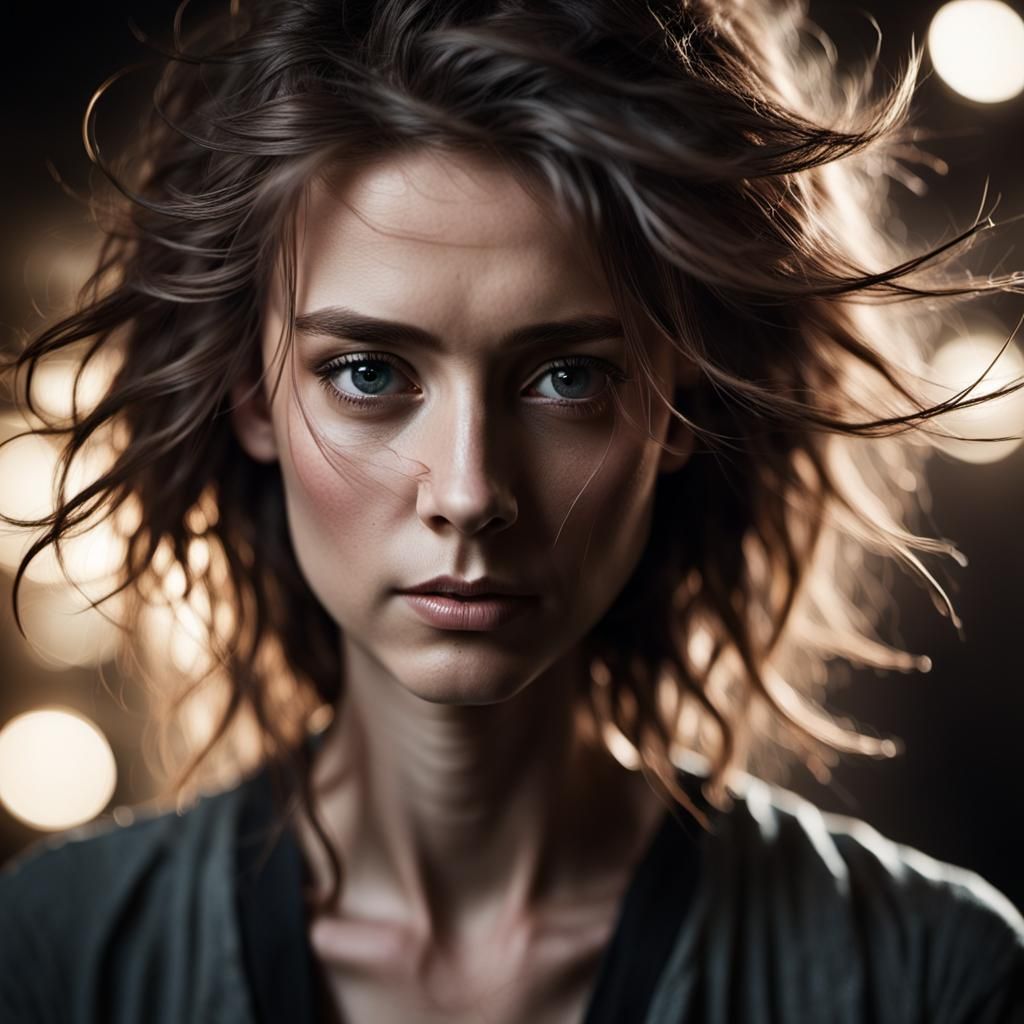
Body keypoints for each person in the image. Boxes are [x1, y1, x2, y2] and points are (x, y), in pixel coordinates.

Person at [1, 0, 1022, 1021]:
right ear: (252, 394)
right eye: (367, 371)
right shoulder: (60, 956)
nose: (468, 490)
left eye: (568, 378)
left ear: (678, 408)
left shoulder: (927, 978)